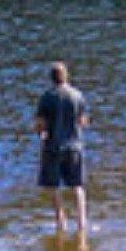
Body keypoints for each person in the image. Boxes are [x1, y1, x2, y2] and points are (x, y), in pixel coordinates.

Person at [35, 60, 90, 240]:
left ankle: (61, 221)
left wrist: (40, 133)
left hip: (53, 146)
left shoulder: (46, 97)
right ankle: (82, 222)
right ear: (66, 76)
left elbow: (40, 125)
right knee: (77, 186)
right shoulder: (77, 95)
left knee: (54, 186)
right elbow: (83, 122)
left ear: (51, 78)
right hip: (74, 145)